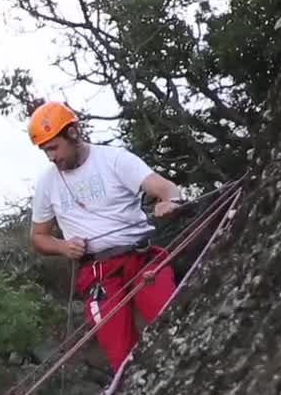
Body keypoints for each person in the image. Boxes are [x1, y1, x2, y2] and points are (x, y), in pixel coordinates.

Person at [25, 99, 185, 372]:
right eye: (45, 151)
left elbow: (165, 188)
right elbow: (38, 237)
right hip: (98, 273)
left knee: (171, 319)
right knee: (119, 350)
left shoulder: (114, 159)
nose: (51, 157)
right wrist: (63, 247)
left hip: (140, 257)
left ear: (72, 133)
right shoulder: (47, 183)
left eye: (54, 147)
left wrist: (171, 200)